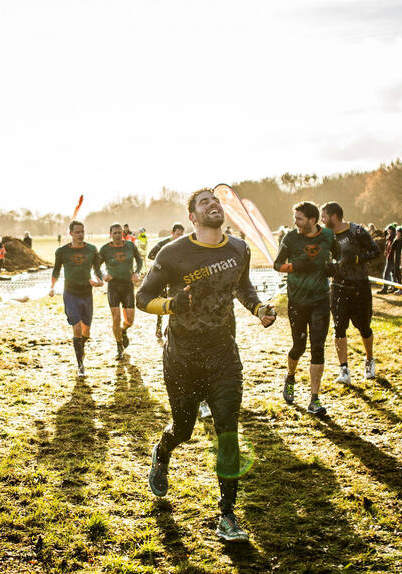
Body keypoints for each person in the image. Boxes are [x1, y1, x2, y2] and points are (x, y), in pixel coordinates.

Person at [137, 188, 276, 543]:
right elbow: (142, 298)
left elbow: (243, 288)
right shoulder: (173, 253)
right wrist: (171, 305)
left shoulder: (239, 248)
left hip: (223, 356)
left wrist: (258, 308)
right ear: (192, 217)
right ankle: (162, 452)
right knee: (183, 430)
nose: (214, 205)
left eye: (216, 201)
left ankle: (227, 515)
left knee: (228, 431)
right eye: (204, 203)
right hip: (182, 358)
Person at [274, 202, 334, 415]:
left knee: (318, 347)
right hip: (297, 301)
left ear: (312, 220)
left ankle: (314, 399)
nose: (295, 222)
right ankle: (290, 377)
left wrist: (334, 267)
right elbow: (277, 264)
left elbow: (339, 256)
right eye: (295, 218)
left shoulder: (327, 236)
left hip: (320, 300)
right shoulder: (290, 238)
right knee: (298, 347)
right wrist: (294, 266)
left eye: (299, 219)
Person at [321, 202, 379, 384]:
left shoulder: (357, 231)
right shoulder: (326, 236)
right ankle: (344, 370)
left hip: (359, 286)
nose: (322, 220)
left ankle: (369, 360)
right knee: (339, 327)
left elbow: (375, 251)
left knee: (364, 327)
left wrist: (357, 258)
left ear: (334, 216)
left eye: (324, 216)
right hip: (338, 287)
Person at [48, 220, 103, 376]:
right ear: (71, 233)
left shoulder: (91, 249)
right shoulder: (62, 252)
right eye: (77, 232)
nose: (80, 234)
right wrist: (52, 286)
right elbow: (56, 270)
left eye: (82, 231)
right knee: (77, 327)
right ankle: (80, 364)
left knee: (86, 331)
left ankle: (80, 347)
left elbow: (97, 269)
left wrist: (100, 281)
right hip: (70, 293)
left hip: (86, 293)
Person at [99, 223, 143, 360]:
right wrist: (103, 275)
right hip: (113, 287)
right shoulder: (105, 249)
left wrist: (136, 272)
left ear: (122, 233)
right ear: (110, 234)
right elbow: (96, 265)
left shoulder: (130, 246)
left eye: (119, 233)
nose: (117, 235)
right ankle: (119, 347)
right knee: (116, 317)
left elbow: (139, 260)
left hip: (127, 286)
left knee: (130, 320)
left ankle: (123, 331)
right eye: (115, 233)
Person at [147, 223, 185, 339]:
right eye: (178, 234)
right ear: (172, 233)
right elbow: (150, 255)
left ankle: (169, 328)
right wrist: (163, 264)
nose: (180, 237)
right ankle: (158, 327)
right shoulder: (163, 244)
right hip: (164, 275)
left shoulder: (183, 244)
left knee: (176, 300)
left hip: (176, 277)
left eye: (182, 234)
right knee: (162, 300)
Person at [377, 224, 397, 294]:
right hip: (389, 257)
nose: (387, 231)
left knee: (386, 273)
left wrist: (389, 253)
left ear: (391, 230)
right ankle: (394, 287)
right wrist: (386, 251)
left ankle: (385, 288)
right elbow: (387, 245)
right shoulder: (389, 237)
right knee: (392, 273)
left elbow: (392, 248)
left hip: (391, 258)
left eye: (388, 229)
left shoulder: (393, 237)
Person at [391, 227, 402, 293]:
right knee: (396, 273)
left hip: (401, 259)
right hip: (396, 259)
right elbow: (392, 248)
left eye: (398, 232)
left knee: (400, 274)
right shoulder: (397, 240)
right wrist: (396, 240)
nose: (396, 233)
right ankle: (399, 288)